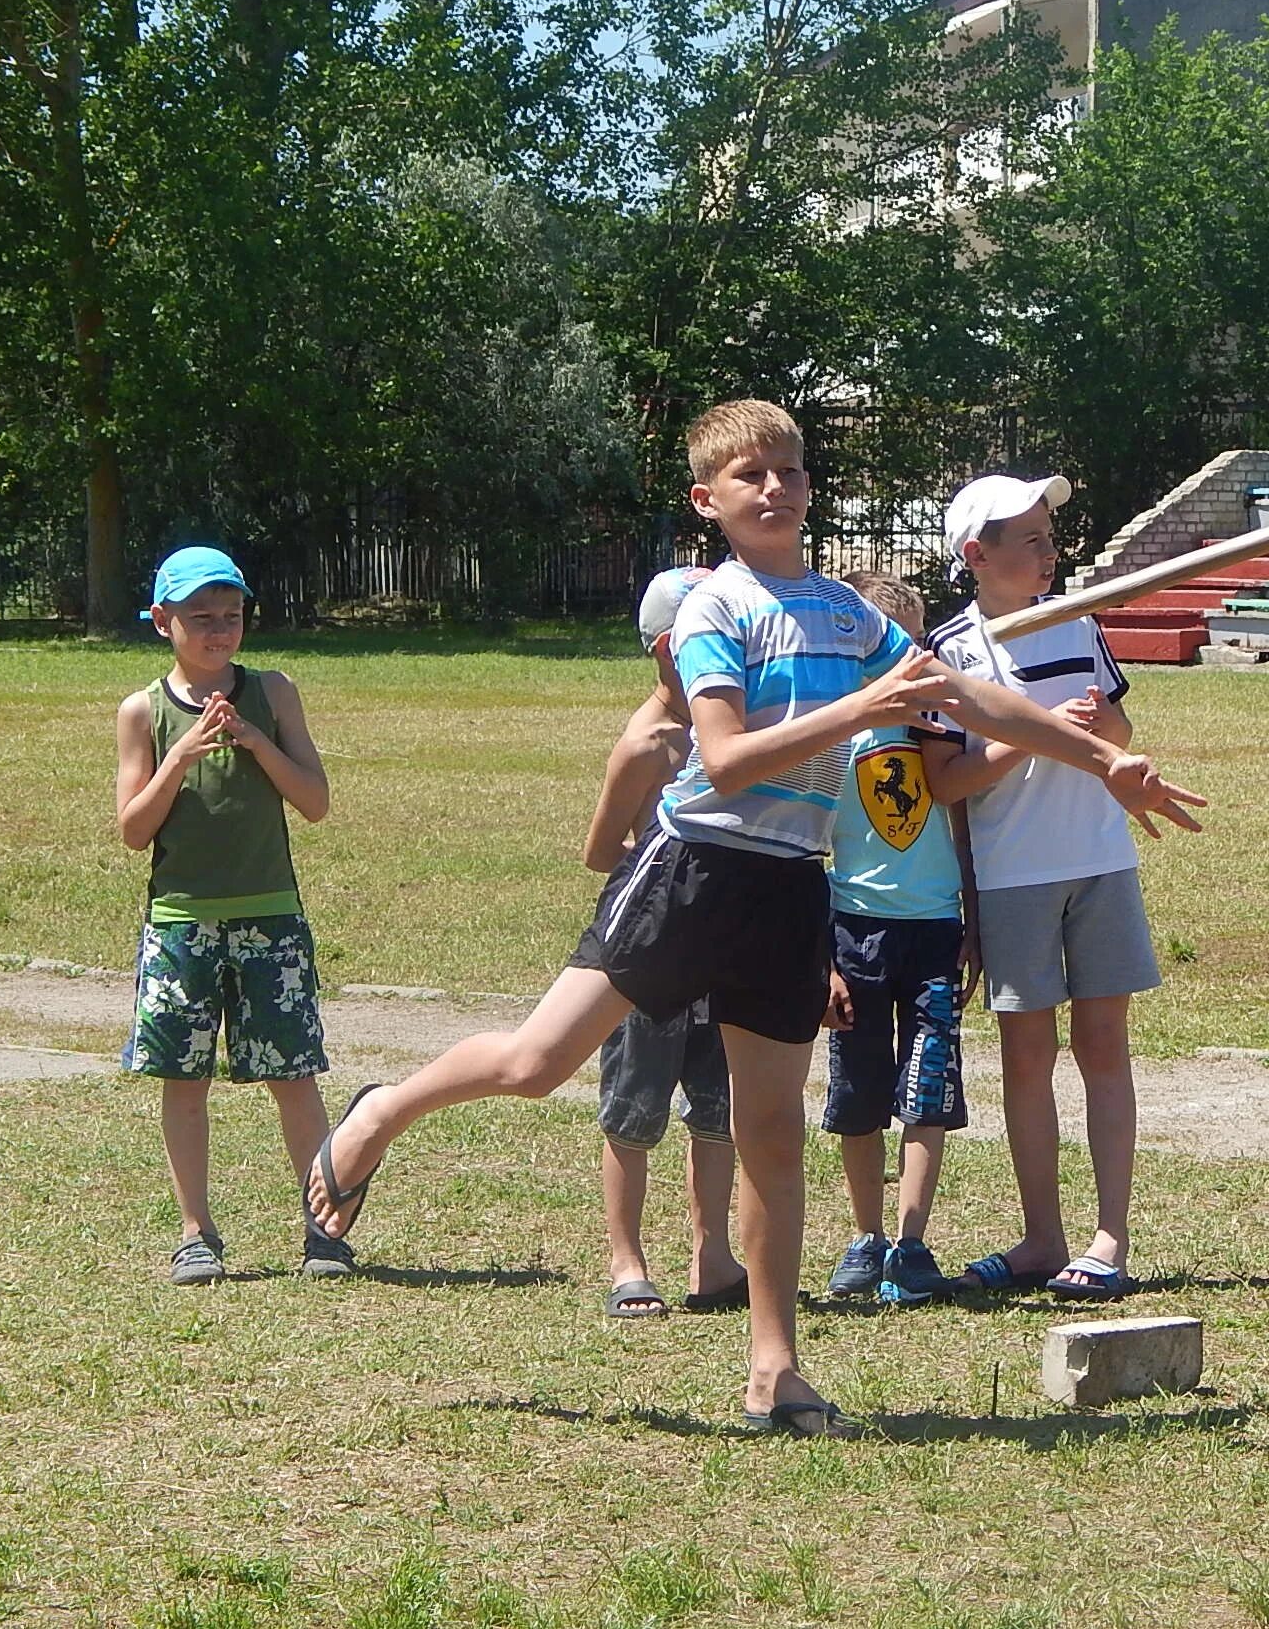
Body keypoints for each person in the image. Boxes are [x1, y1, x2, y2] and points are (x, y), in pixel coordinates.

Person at [304, 402, 1205, 1436]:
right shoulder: (712, 610)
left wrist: (1105, 759)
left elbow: (968, 699)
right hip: (691, 866)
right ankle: (378, 1113)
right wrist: (858, 713)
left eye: (788, 469)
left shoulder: (846, 613)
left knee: (773, 1134)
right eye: (749, 476)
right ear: (709, 501)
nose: (774, 488)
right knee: (534, 1063)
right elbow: (724, 759)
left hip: (788, 882)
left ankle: (774, 1370)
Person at [925, 473, 1161, 1301]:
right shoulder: (951, 651)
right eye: (1027, 537)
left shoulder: (1078, 621)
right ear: (975, 555)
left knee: (1104, 1048)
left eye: (1047, 534)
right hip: (1014, 875)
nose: (1047, 549)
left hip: (1099, 860)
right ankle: (1041, 1237)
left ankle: (1110, 1237)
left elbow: (1122, 732)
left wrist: (1106, 731)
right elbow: (946, 782)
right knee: (1028, 1058)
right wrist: (1031, 736)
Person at [113, 546, 339, 1284]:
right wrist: (179, 757)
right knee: (184, 1078)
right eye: (200, 617)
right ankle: (195, 1232)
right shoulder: (142, 711)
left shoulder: (272, 692)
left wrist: (253, 739)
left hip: (270, 917)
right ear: (162, 621)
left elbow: (314, 801)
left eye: (231, 616)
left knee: (293, 1074)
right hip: (180, 923)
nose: (218, 630)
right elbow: (132, 829)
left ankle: (324, 1228)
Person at [582, 566, 745, 1320]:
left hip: (723, 944)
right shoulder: (649, 742)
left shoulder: (737, 726)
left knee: (718, 1109)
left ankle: (713, 1256)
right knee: (634, 1108)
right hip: (650, 948)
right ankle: (627, 1260)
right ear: (666, 648)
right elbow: (599, 849)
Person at [820, 571, 979, 1306]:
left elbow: (958, 819)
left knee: (927, 1089)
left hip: (934, 930)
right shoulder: (829, 729)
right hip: (853, 932)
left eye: (912, 644)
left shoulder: (939, 728)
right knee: (859, 1091)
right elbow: (803, 852)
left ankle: (912, 1243)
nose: (903, 661)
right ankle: (866, 1235)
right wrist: (821, 957)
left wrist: (971, 915)